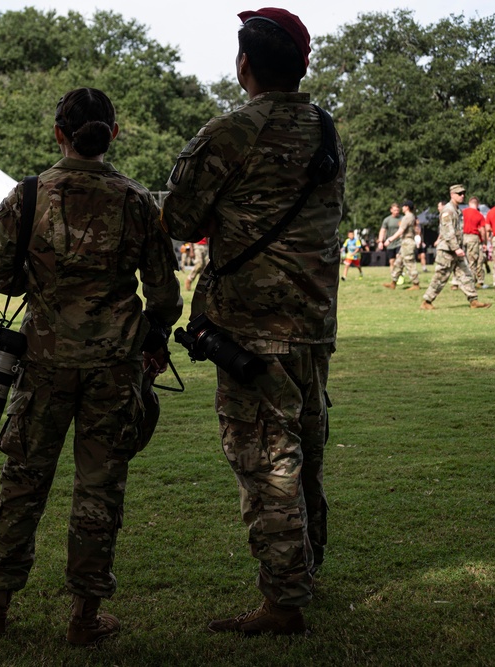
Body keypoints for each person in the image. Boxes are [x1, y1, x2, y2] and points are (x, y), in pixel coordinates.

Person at [0, 87, 182, 645]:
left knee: (23, 481)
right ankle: (84, 617)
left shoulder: (29, 194)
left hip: (43, 360)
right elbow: (163, 293)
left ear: (58, 134)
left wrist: (42, 289)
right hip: (115, 367)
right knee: (100, 487)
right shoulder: (135, 200)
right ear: (112, 134)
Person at [162, 8, 344, 636]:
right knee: (307, 450)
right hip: (313, 323)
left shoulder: (231, 132)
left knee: (267, 458)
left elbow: (180, 222)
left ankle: (284, 599)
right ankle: (305, 571)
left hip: (251, 328)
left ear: (244, 66)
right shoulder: (325, 129)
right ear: (303, 65)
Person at [421, 186, 491, 310]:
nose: (462, 195)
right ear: (452, 194)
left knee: (466, 274)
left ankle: (473, 301)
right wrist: (456, 248)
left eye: (463, 193)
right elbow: (448, 232)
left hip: (455, 249)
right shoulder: (448, 210)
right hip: (447, 250)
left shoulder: (456, 210)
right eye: (459, 193)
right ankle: (427, 301)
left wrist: (459, 247)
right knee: (441, 276)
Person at [382, 200, 419, 290]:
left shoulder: (407, 217)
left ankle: (416, 284)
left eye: (403, 206)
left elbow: (400, 231)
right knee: (398, 263)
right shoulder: (409, 216)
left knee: (409, 263)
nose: (402, 208)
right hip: (405, 242)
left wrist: (390, 239)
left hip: (408, 242)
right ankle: (393, 282)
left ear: (406, 207)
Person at [461, 196, 488, 289]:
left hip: (463, 237)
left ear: (469, 203)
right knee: (473, 261)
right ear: (478, 205)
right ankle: (472, 282)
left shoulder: (463, 212)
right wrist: (484, 242)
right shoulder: (479, 215)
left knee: (462, 260)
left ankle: (458, 282)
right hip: (473, 238)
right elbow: (482, 230)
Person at [377, 203, 402, 269]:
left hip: (400, 242)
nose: (396, 212)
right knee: (392, 261)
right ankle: (393, 277)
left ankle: (400, 276)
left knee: (399, 258)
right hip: (390, 243)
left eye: (397, 210)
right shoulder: (387, 220)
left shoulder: (402, 218)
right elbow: (382, 230)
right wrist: (380, 242)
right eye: (395, 210)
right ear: (391, 210)